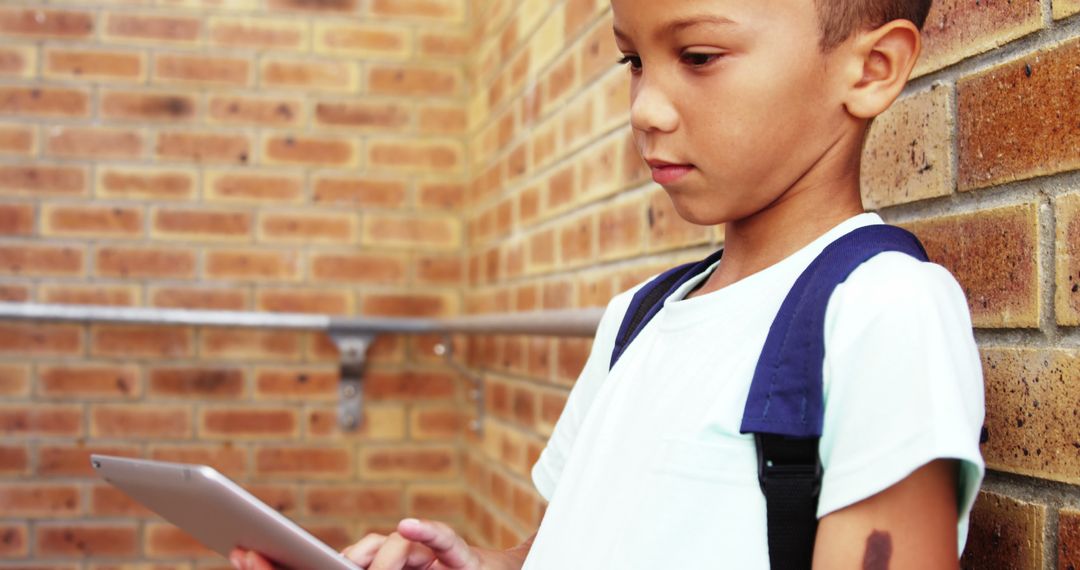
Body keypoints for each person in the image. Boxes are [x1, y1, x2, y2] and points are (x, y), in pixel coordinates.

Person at [232, 0, 985, 567]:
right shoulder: (639, 317)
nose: (645, 110)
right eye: (633, 60)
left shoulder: (882, 311)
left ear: (872, 69)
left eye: (697, 56)